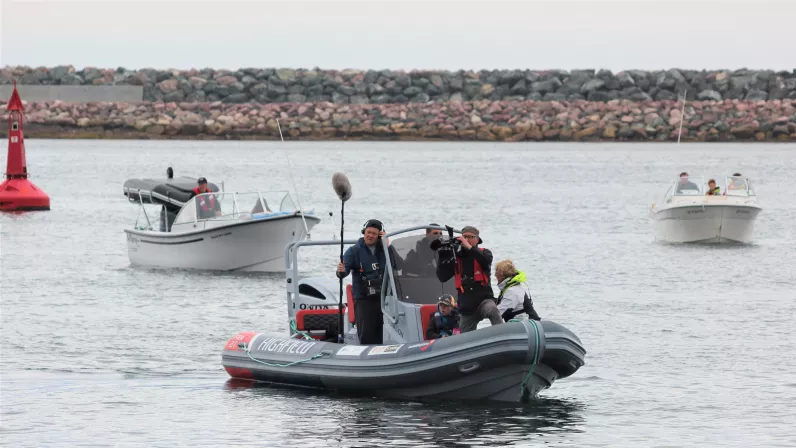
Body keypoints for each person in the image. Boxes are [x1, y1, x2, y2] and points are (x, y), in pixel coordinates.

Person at [336, 219, 403, 345]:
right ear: (364, 232)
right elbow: (343, 272)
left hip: (385, 298)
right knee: (367, 332)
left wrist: (388, 246)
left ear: (380, 235)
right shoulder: (353, 251)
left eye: (374, 233)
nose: (370, 236)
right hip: (364, 299)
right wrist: (341, 271)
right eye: (368, 232)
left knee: (388, 329)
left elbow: (399, 265)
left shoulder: (386, 250)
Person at [435, 225, 502, 333]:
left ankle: (501, 333)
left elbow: (484, 261)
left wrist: (468, 247)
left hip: (484, 301)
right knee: (464, 336)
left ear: (477, 239)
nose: (467, 239)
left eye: (470, 237)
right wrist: (443, 257)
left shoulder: (485, 253)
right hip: (467, 308)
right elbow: (442, 277)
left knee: (492, 309)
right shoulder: (457, 258)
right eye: (464, 237)